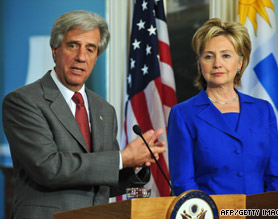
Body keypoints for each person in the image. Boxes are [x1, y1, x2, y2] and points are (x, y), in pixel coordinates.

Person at [2, 10, 166, 218]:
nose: (81, 57)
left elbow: (103, 181)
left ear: (96, 56)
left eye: (90, 49)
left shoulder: (104, 110)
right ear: (55, 49)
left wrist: (136, 164)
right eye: (73, 46)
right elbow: (48, 168)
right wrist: (122, 158)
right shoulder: (23, 101)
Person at [167, 18, 278, 196]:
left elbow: (276, 177)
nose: (217, 64)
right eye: (209, 56)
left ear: (239, 63)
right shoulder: (183, 115)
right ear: (200, 63)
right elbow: (184, 184)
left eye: (226, 55)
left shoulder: (263, 111)